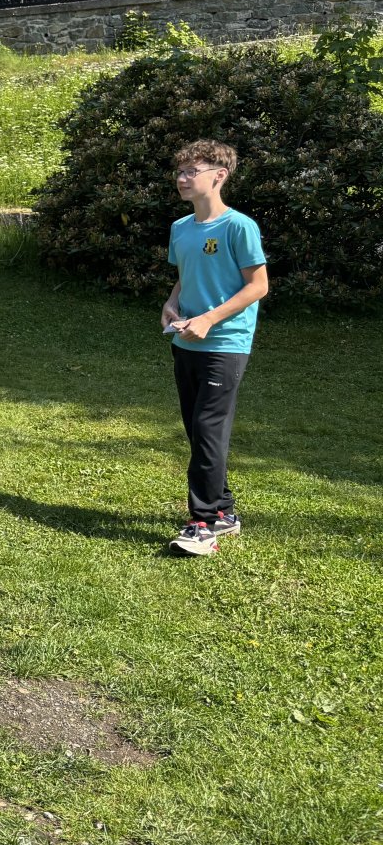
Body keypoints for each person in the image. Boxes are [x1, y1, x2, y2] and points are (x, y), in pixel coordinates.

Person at [161, 139, 268, 556]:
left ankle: (203, 524)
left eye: (193, 171)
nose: (182, 178)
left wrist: (208, 319)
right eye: (180, 171)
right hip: (185, 341)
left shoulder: (238, 226)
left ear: (219, 176)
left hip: (225, 343)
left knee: (208, 429)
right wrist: (171, 304)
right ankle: (223, 510)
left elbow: (258, 286)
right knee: (197, 429)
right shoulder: (181, 228)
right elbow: (185, 276)